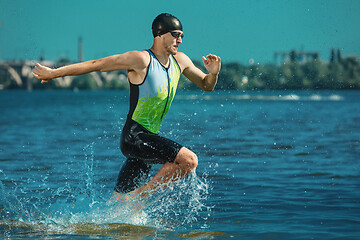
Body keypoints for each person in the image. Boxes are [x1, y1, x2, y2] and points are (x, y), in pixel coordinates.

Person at [33, 13, 221, 201]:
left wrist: (213, 73)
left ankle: (108, 216)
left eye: (182, 35)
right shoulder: (140, 60)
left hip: (149, 141)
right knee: (189, 161)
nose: (180, 40)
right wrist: (53, 73)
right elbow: (96, 65)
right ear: (160, 34)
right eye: (175, 34)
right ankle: (139, 196)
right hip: (134, 138)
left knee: (120, 207)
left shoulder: (180, 61)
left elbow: (207, 85)